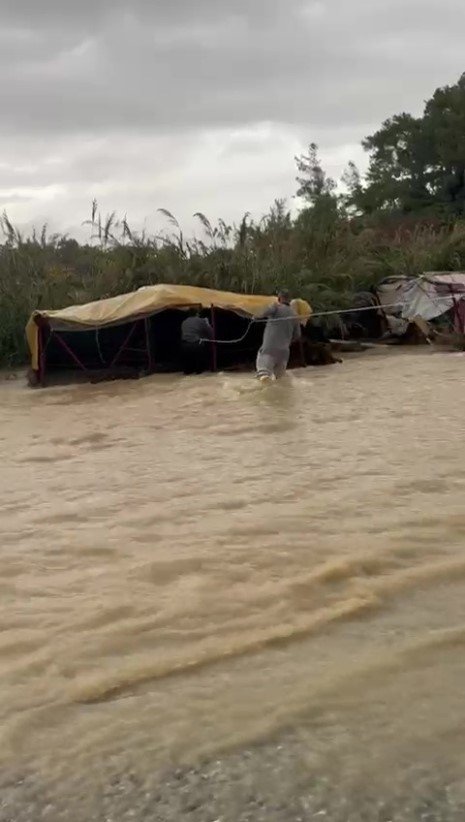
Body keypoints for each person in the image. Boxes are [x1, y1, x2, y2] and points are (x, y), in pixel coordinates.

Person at [256, 289, 301, 382]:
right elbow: (297, 335)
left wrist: (254, 317)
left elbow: (263, 313)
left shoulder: (276, 307)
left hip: (269, 349)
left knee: (263, 376)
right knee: (279, 381)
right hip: (284, 353)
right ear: (289, 300)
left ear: (279, 298)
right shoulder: (295, 315)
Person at [180, 307, 213, 375]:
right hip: (196, 345)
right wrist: (207, 323)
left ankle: (188, 370)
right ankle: (201, 369)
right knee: (200, 367)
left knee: (188, 367)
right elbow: (210, 332)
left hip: (185, 345)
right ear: (197, 314)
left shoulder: (184, 322)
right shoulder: (201, 321)